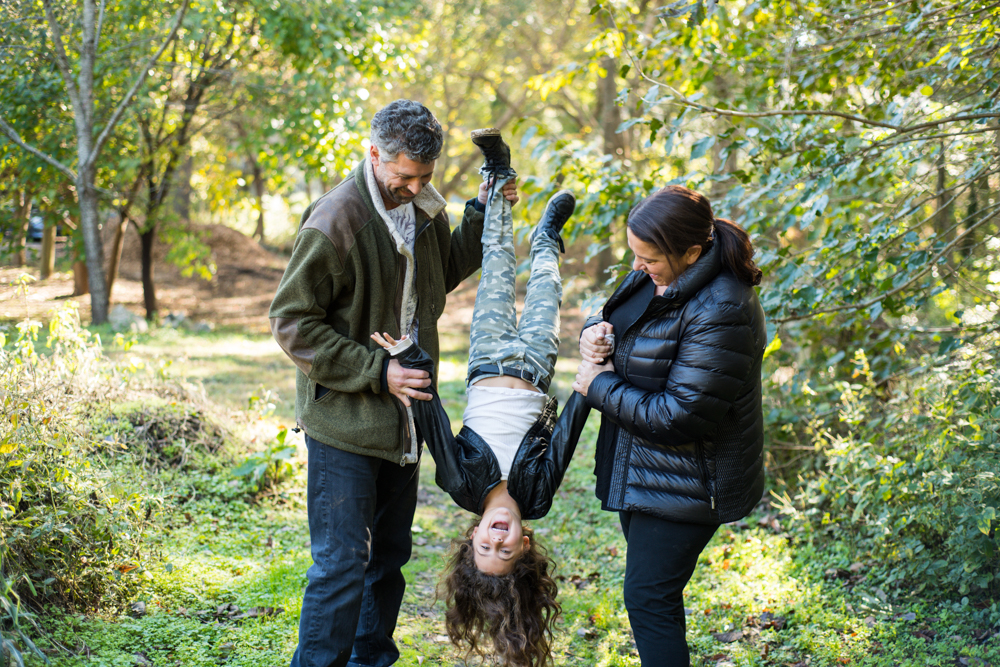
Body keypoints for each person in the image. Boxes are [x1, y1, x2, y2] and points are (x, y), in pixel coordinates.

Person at [269, 100, 518, 667]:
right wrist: (377, 370)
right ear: (374, 153)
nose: (412, 186)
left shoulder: (423, 208)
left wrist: (480, 211)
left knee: (387, 562)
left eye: (424, 177)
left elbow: (441, 276)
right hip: (346, 425)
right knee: (340, 567)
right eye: (403, 175)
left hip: (406, 424)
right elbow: (290, 321)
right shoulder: (336, 220)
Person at [370, 129, 589, 667]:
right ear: (525, 545)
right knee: (544, 286)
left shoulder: (461, 484)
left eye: (484, 548)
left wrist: (411, 357)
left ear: (471, 541)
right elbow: (564, 438)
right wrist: (588, 380)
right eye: (505, 550)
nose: (496, 540)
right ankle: (546, 240)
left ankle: (496, 174)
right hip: (537, 366)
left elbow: (433, 421)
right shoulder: (537, 496)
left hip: (489, 358)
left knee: (494, 263)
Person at [572, 185, 767, 666]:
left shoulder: (723, 307)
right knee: (655, 597)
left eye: (648, 258)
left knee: (647, 599)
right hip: (643, 468)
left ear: (692, 252)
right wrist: (594, 334)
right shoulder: (657, 275)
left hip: (690, 480)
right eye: (634, 255)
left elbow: (680, 415)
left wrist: (595, 384)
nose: (638, 266)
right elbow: (620, 322)